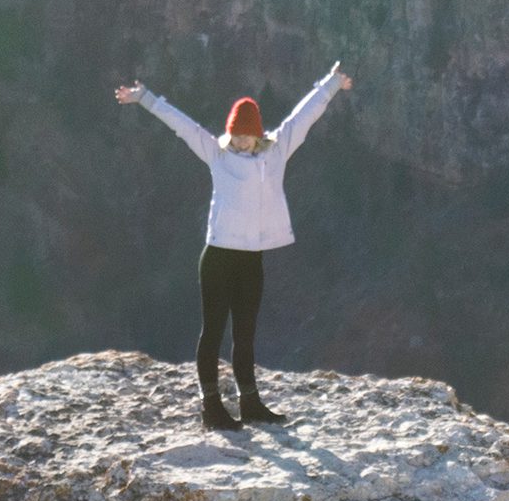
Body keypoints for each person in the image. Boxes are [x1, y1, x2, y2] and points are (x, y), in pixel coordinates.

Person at [115, 62, 355, 429]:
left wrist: (332, 84)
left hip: (250, 259)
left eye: (247, 135)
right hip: (218, 257)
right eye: (236, 135)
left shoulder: (276, 152)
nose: (241, 141)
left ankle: (250, 402)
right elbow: (183, 125)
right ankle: (211, 407)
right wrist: (144, 98)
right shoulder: (218, 154)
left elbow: (303, 116)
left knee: (245, 333)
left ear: (258, 134)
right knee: (213, 331)